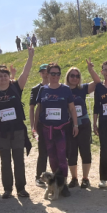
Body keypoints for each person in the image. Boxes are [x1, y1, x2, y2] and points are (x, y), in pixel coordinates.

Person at [0, 47, 35, 199]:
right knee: (5, 162)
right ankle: (7, 189)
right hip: (2, 132)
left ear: (9, 77)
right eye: (0, 76)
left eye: (5, 75)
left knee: (19, 160)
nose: (3, 78)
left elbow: (25, 73)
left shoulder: (16, 87)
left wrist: (30, 57)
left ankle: (21, 188)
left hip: (17, 131)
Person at [32, 63, 78, 195]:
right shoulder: (43, 90)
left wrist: (75, 125)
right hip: (47, 130)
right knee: (52, 158)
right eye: (53, 73)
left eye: (58, 74)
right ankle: (55, 184)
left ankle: (63, 185)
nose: (55, 76)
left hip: (61, 129)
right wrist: (35, 126)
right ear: (47, 74)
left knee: (62, 158)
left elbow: (72, 109)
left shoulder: (65, 89)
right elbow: (38, 109)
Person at [64, 59, 101, 188]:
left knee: (85, 151)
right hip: (69, 125)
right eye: (72, 75)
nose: (75, 78)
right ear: (67, 77)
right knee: (71, 152)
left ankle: (85, 178)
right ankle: (74, 178)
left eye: (77, 76)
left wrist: (91, 70)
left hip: (84, 124)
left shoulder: (83, 88)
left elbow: (97, 82)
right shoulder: (63, 90)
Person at [29, 63, 50, 187]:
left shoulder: (57, 87)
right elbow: (32, 108)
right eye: (42, 71)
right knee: (43, 152)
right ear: (40, 74)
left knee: (57, 152)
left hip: (56, 124)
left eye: (47, 71)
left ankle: (56, 178)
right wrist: (33, 126)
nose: (45, 73)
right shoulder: (36, 89)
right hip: (41, 125)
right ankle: (39, 177)